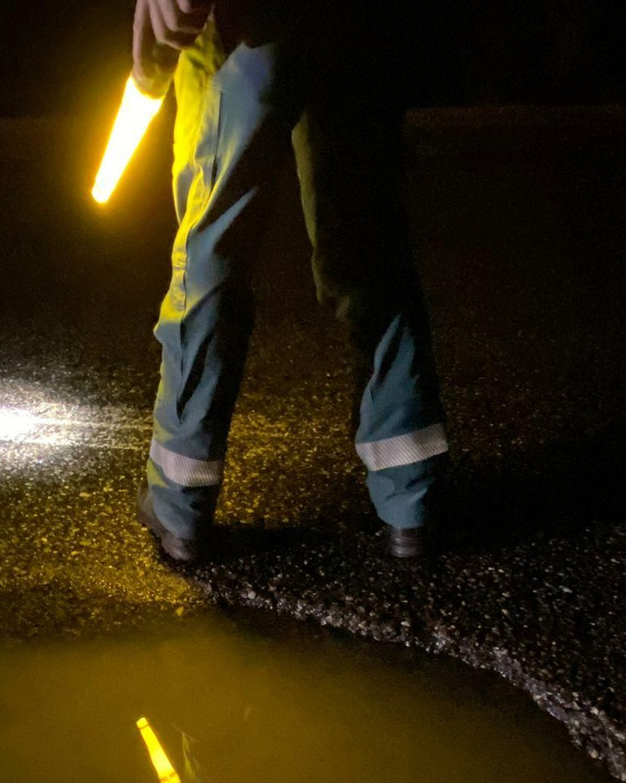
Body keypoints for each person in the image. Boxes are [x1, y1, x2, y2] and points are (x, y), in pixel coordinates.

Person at [132, 0, 450, 562]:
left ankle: (181, 498)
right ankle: (411, 498)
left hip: (245, 23)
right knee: (366, 234)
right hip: (355, 22)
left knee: (214, 240)